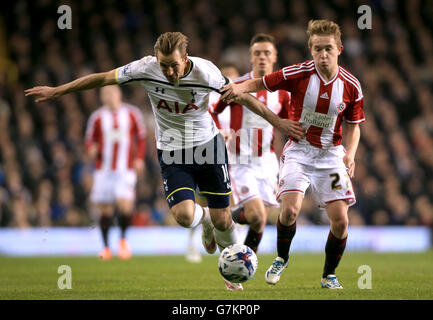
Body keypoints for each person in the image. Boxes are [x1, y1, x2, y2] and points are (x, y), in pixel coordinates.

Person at [25, 32, 300, 291]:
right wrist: (58, 91)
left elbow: (242, 96)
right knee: (182, 217)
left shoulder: (207, 72)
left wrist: (277, 122)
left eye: (174, 66)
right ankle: (202, 219)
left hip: (208, 147)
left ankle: (231, 272)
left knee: (224, 219)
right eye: (164, 65)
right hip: (172, 151)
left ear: (186, 57)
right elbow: (103, 78)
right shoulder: (145, 68)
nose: (169, 72)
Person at [221, 20, 365, 289]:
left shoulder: (351, 86)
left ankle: (329, 275)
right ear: (311, 49)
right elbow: (261, 82)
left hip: (332, 156)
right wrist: (237, 88)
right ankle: (282, 258)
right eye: (318, 49)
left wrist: (351, 154)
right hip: (299, 152)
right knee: (289, 212)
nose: (323, 54)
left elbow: (353, 125)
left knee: (342, 222)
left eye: (329, 49)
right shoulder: (298, 73)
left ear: (340, 49)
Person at [212, 34, 291, 253]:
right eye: (257, 53)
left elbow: (288, 123)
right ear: (251, 57)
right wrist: (220, 130)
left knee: (259, 220)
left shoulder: (283, 93)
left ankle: (242, 261)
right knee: (257, 214)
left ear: (274, 56)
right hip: (240, 159)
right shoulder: (237, 85)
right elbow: (214, 111)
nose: (262, 57)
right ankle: (239, 258)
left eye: (267, 53)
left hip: (267, 159)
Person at [185, 63, 240, 264]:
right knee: (202, 202)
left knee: (230, 204)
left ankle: (233, 242)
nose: (231, 84)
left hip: (236, 159)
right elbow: (201, 120)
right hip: (210, 155)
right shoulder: (209, 100)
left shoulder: (240, 103)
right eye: (227, 79)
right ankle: (193, 244)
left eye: (235, 79)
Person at [85, 85, 146, 260]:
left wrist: (139, 158)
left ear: (119, 94)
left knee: (124, 204)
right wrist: (91, 149)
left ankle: (123, 241)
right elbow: (90, 139)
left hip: (124, 169)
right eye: (104, 93)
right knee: (105, 210)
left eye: (111, 92)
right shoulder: (97, 117)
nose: (108, 96)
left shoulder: (132, 113)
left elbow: (141, 137)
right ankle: (105, 248)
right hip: (103, 170)